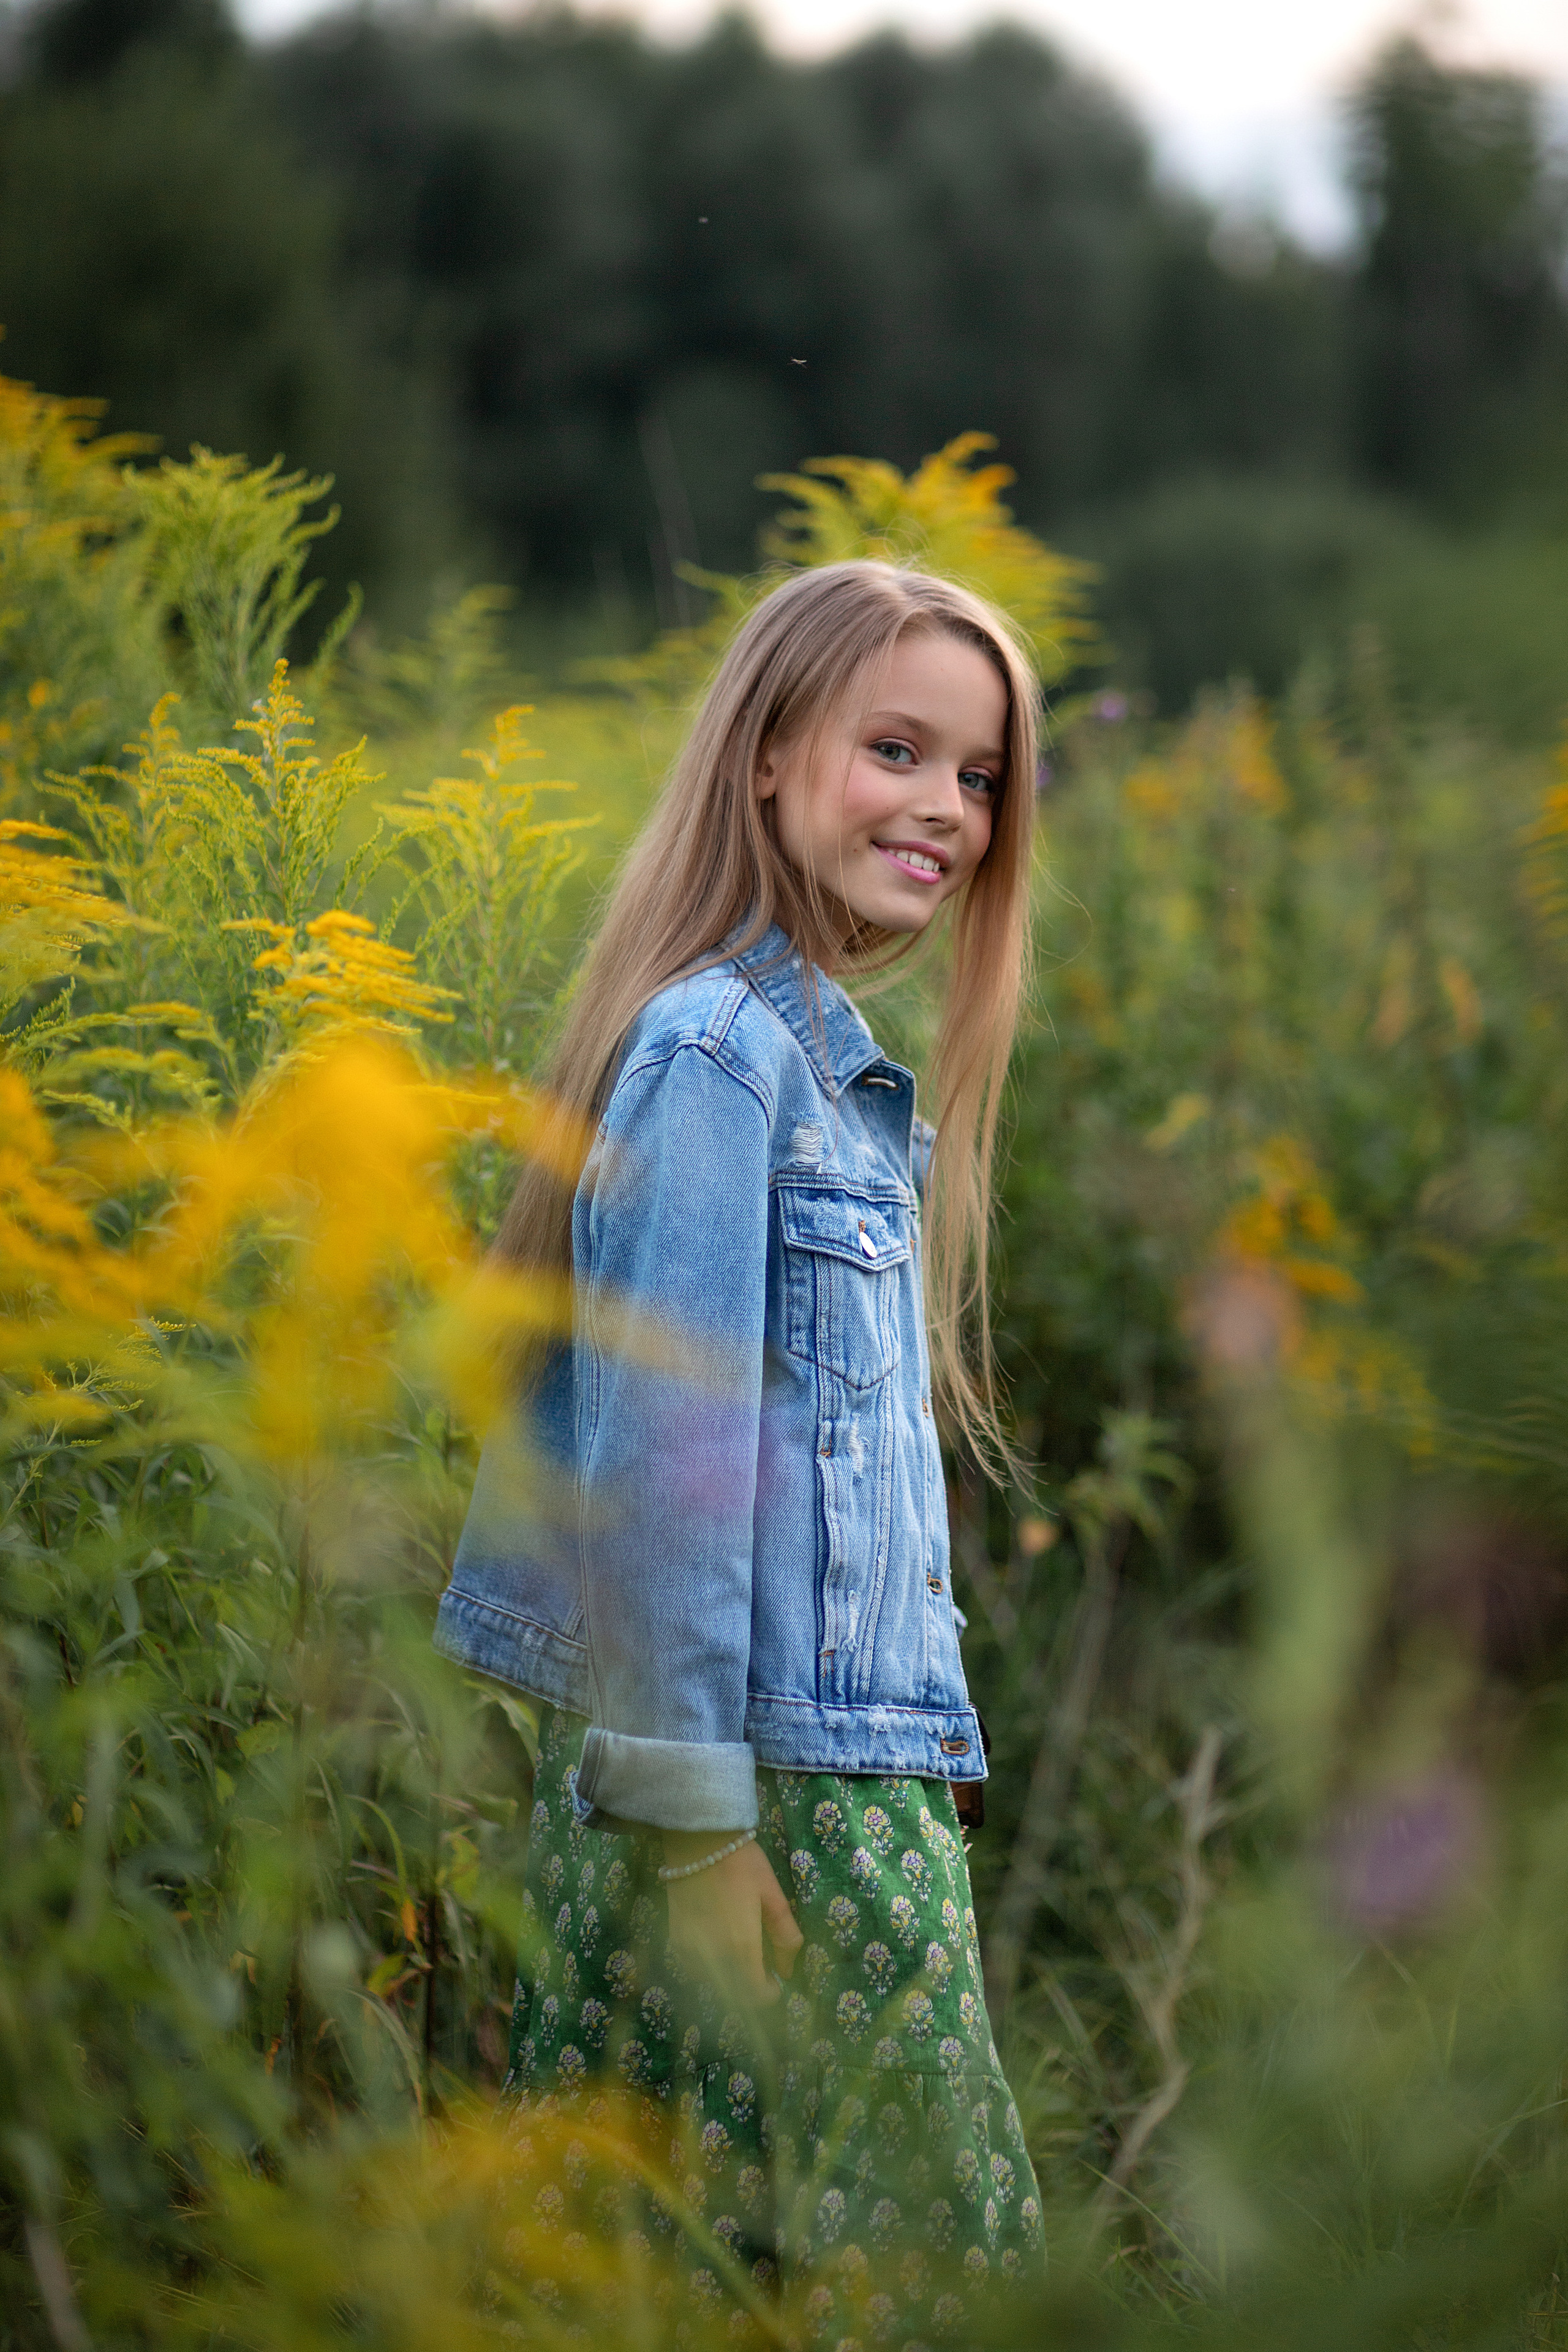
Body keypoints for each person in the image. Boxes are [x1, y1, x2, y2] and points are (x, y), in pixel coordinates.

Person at [435, 559, 1045, 2334]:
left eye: (982, 774)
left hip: (831, 1792)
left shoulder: (819, 1066)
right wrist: (701, 1847)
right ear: (770, 757)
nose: (946, 807)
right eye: (901, 750)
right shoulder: (720, 1056)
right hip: (745, 1806)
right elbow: (667, 1478)